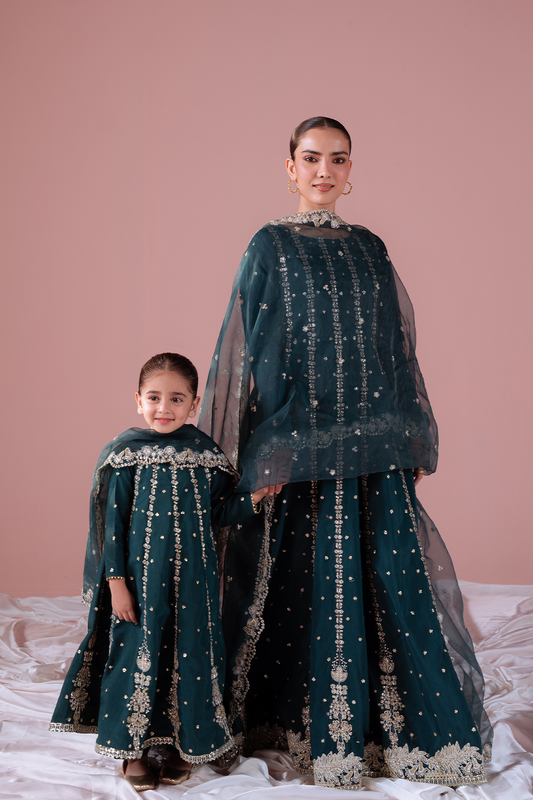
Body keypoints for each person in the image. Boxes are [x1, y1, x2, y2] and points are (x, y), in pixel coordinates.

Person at [199, 117, 493, 790]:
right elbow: (251, 350)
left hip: (372, 440)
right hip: (300, 445)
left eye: (337, 159)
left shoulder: (369, 247)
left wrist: (409, 428)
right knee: (296, 584)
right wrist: (269, 446)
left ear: (350, 169)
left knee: (392, 577)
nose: (324, 171)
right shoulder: (269, 245)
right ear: (290, 168)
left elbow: (395, 346)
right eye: (311, 158)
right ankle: (294, 724)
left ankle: (397, 729)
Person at [50, 353, 277, 792]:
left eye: (177, 398)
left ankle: (181, 745)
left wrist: (255, 498)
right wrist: (117, 584)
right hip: (139, 585)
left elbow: (219, 513)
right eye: (154, 397)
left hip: (195, 584)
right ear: (137, 400)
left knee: (190, 657)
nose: (164, 408)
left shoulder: (207, 456)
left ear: (194, 404)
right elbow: (112, 528)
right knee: (136, 655)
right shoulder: (126, 456)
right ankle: (132, 749)